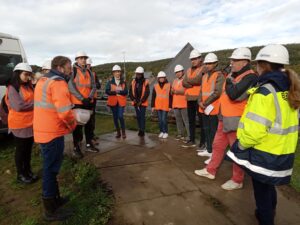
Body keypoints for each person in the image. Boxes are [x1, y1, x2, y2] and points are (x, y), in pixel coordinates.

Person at [227, 44, 300, 225]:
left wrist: (241, 146)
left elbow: (255, 129)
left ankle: (266, 218)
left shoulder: (265, 91)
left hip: (265, 150)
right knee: (269, 187)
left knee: (262, 192)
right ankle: (268, 214)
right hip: (283, 149)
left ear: (263, 65)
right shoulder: (289, 87)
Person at [194, 47, 257, 191]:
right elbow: (227, 93)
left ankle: (237, 180)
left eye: (234, 60)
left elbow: (235, 95)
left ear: (245, 61)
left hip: (236, 119)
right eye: (231, 60)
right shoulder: (233, 75)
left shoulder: (250, 77)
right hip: (224, 117)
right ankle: (210, 170)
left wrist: (229, 83)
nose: (231, 63)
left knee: (236, 152)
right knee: (217, 145)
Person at [33, 56, 77, 221]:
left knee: (50, 168)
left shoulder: (43, 80)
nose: (70, 69)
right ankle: (50, 211)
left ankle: (55, 200)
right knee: (50, 171)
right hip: (52, 132)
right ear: (60, 67)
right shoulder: (58, 82)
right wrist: (73, 125)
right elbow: (65, 111)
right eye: (69, 66)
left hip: (43, 131)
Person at [6, 63, 37, 184]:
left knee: (28, 150)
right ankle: (20, 174)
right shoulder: (12, 88)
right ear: (18, 73)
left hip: (30, 124)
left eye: (29, 75)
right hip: (19, 125)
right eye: (25, 74)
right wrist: (36, 104)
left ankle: (28, 171)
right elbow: (18, 106)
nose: (27, 77)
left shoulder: (28, 86)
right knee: (21, 150)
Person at [68, 51, 98, 158]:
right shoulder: (73, 71)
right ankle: (76, 147)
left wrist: (89, 97)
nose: (83, 60)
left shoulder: (89, 72)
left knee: (89, 125)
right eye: (81, 58)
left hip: (88, 102)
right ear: (76, 60)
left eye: (84, 58)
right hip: (78, 103)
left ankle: (89, 144)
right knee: (77, 127)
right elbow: (71, 87)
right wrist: (82, 98)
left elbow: (94, 86)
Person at [197, 53, 225, 165]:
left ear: (215, 63)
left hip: (213, 108)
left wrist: (205, 102)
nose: (207, 65)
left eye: (210, 63)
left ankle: (214, 153)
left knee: (213, 131)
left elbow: (217, 92)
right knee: (206, 129)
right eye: (206, 63)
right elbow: (201, 91)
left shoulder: (219, 75)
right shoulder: (204, 76)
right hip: (204, 107)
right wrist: (199, 101)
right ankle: (209, 149)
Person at [182, 49, 205, 148]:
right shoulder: (188, 70)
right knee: (191, 120)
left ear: (200, 59)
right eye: (192, 59)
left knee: (201, 121)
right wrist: (191, 82)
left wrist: (189, 82)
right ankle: (192, 139)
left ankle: (203, 142)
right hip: (189, 99)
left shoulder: (203, 68)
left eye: (195, 59)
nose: (193, 61)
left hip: (198, 98)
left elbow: (199, 80)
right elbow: (183, 82)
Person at [106, 65, 128, 138]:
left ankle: (123, 132)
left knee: (120, 116)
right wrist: (116, 92)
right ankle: (118, 132)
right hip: (113, 103)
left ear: (120, 72)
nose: (117, 73)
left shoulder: (123, 82)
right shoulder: (110, 82)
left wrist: (119, 91)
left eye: (118, 72)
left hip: (121, 102)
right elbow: (107, 91)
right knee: (115, 118)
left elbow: (126, 92)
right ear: (113, 73)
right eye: (116, 72)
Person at [129, 66, 150, 137]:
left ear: (142, 74)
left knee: (142, 117)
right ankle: (140, 129)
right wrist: (133, 99)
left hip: (142, 103)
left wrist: (141, 101)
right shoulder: (133, 82)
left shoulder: (145, 82)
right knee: (138, 116)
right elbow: (130, 92)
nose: (138, 75)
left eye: (140, 74)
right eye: (137, 74)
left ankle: (142, 130)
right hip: (136, 102)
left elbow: (147, 92)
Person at [151, 71, 172, 139]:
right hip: (158, 106)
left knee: (164, 119)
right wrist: (153, 106)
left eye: (163, 78)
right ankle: (161, 131)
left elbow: (171, 96)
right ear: (158, 79)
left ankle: (166, 132)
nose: (162, 79)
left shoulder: (169, 85)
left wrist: (170, 106)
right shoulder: (155, 86)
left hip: (165, 106)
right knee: (160, 120)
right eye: (160, 78)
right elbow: (153, 96)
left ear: (165, 78)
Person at [171, 64, 190, 141]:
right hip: (176, 104)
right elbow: (172, 90)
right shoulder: (175, 81)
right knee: (178, 121)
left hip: (183, 104)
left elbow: (185, 91)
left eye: (179, 72)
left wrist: (176, 91)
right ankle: (181, 134)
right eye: (176, 72)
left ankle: (189, 136)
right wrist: (172, 91)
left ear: (182, 71)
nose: (178, 73)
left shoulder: (186, 79)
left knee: (186, 121)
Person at [86, 57, 101, 143]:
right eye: (87, 64)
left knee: (92, 117)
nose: (88, 66)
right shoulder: (81, 74)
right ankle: (81, 138)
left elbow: (98, 85)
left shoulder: (94, 74)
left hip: (93, 99)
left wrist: (94, 84)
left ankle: (92, 134)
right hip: (83, 99)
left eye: (89, 64)